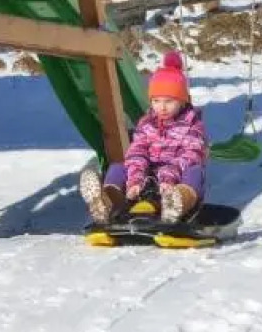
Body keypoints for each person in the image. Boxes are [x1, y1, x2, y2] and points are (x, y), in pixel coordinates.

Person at [81, 51, 208, 225]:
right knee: (118, 167)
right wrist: (135, 179)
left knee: (194, 171)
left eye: (169, 101)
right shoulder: (146, 124)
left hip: (175, 178)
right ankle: (106, 202)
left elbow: (192, 154)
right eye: (156, 101)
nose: (162, 107)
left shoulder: (192, 125)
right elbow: (137, 151)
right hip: (147, 177)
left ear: (182, 101)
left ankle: (177, 203)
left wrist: (169, 176)